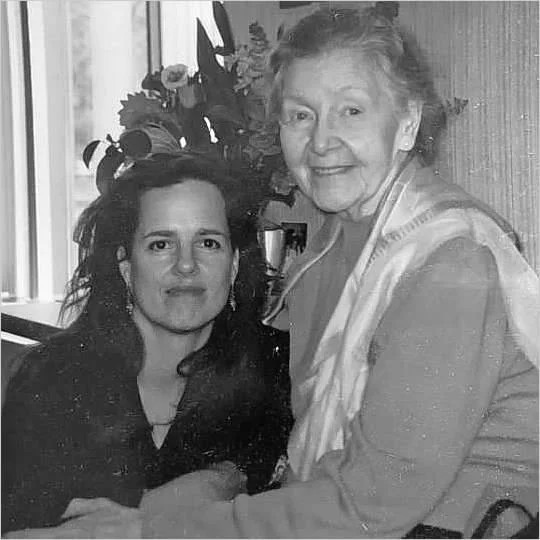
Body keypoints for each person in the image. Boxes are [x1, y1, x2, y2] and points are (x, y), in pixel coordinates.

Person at [7, 6, 538, 539]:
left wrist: (151, 529)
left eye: (351, 111)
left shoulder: (450, 260)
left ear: (407, 124)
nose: (322, 141)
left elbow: (372, 505)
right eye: (300, 115)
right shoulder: (328, 251)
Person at [1, 152, 292, 534]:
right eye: (160, 244)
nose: (186, 265)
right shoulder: (53, 376)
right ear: (125, 266)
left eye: (208, 243)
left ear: (234, 263)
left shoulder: (281, 367)